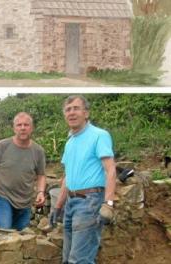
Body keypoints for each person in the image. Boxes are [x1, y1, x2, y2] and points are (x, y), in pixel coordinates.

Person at [50, 95, 116, 264]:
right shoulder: (70, 141)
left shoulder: (99, 135)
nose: (71, 113)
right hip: (71, 203)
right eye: (68, 109)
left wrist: (108, 203)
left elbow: (110, 169)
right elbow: (68, 177)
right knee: (67, 259)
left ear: (86, 113)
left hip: (90, 202)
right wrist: (58, 206)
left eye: (76, 108)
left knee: (79, 260)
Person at [0, 112, 47, 231]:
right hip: (4, 196)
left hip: (25, 201)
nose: (22, 128)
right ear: (14, 128)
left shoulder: (38, 151)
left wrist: (40, 192)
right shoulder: (2, 146)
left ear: (32, 128)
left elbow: (41, 175)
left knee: (22, 235)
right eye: (19, 125)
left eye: (26, 125)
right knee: (5, 230)